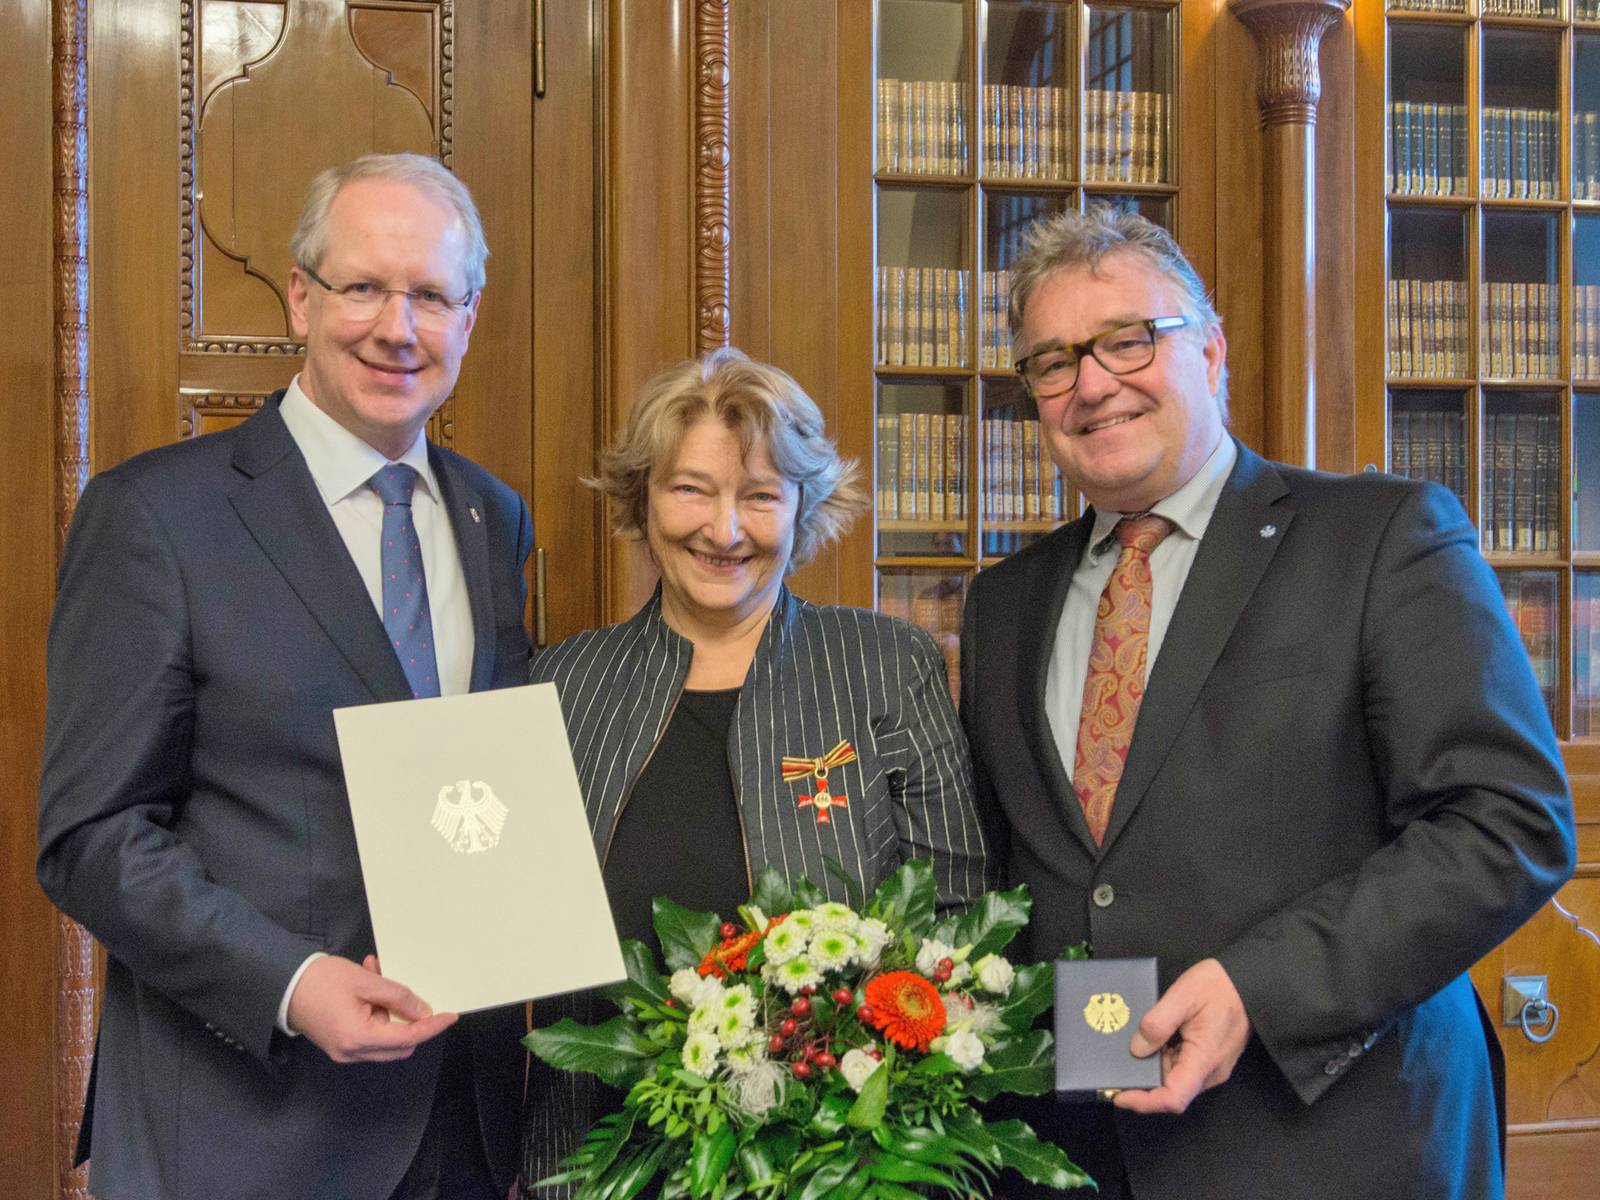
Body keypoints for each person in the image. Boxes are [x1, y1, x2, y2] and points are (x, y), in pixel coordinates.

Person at [959, 207, 1576, 1200]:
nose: (1092, 384)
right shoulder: (1003, 604)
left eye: (1127, 340)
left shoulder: (1380, 538)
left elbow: (1507, 824)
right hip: (1083, 1150)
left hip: (1338, 1137)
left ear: (1208, 350)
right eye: (1053, 362)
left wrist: (1259, 985)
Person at [37, 153, 532, 1200]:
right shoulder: (156, 517)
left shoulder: (494, 518)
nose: (397, 327)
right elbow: (90, 836)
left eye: (432, 296)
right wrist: (293, 983)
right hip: (241, 1129)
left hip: (462, 1130)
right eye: (363, 287)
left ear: (469, 316)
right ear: (301, 296)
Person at [523, 347, 993, 1192]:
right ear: (642, 498)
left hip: (842, 1166)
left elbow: (954, 917)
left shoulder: (889, 665)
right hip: (593, 1160)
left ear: (804, 506)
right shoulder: (561, 683)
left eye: (761, 495)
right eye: (691, 488)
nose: (725, 529)